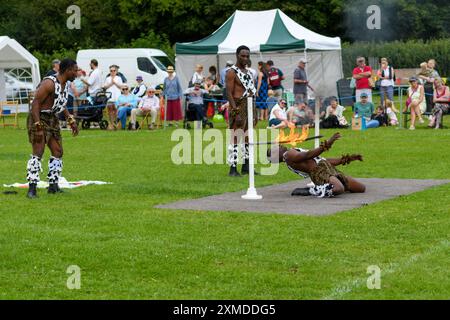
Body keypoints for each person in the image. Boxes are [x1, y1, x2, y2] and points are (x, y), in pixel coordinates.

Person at [25, 58, 79, 199]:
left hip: (52, 118)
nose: (77, 73)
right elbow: (35, 104)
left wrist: (70, 119)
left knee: (58, 151)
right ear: (67, 70)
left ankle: (53, 186)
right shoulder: (49, 83)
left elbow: (61, 103)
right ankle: (32, 189)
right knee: (38, 151)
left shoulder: (66, 84)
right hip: (38, 117)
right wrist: (38, 126)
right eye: (75, 70)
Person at [268, 133, 365, 198]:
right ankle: (313, 190)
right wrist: (327, 144)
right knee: (339, 189)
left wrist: (345, 159)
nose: (279, 145)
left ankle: (327, 186)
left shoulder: (290, 153)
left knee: (361, 188)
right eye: (275, 148)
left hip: (327, 167)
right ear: (276, 155)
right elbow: (308, 155)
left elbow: (322, 160)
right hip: (319, 173)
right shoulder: (288, 155)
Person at [226, 45, 258, 177]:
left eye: (247, 56)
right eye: (242, 55)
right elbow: (228, 92)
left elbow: (251, 93)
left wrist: (255, 113)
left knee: (247, 137)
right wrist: (235, 111)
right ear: (237, 55)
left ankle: (246, 166)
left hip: (249, 106)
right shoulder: (232, 72)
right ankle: (233, 168)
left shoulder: (249, 73)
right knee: (235, 137)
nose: (245, 58)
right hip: (237, 105)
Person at [103, 65, 124, 130]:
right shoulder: (107, 78)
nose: (112, 72)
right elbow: (105, 87)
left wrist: (114, 82)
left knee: (116, 110)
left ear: (116, 71)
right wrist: (111, 83)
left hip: (117, 97)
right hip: (110, 97)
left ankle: (116, 124)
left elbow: (121, 87)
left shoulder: (119, 78)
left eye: (114, 71)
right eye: (111, 71)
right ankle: (111, 124)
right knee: (110, 111)